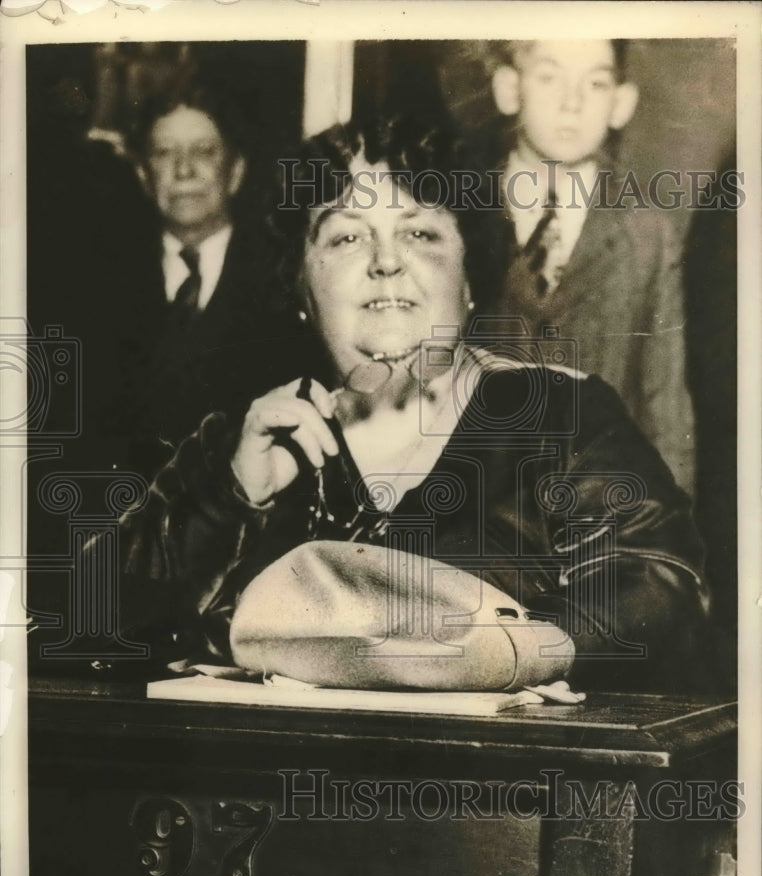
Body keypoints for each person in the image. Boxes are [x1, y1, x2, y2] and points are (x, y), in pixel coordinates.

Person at [111, 115, 710, 694]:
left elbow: (663, 591)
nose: (385, 260)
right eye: (347, 236)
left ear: (469, 275)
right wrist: (228, 499)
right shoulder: (247, 442)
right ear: (301, 287)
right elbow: (86, 620)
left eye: (419, 233)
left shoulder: (560, 414)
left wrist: (513, 653)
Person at [484, 39, 696, 496]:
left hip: (603, 517)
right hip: (473, 509)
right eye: (549, 77)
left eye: (596, 83)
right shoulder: (455, 215)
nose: (572, 102)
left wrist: (673, 528)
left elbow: (665, 409)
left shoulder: (647, 235)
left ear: (621, 103)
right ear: (509, 88)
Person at [121, 77, 298, 456]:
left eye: (204, 151)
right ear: (143, 175)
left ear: (235, 171)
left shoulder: (285, 281)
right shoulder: (102, 283)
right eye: (164, 152)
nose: (184, 170)